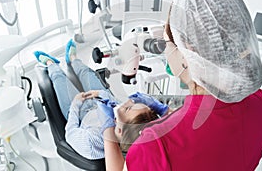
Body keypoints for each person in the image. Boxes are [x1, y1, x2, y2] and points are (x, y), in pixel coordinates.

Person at [101, 0, 262, 171]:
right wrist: (171, 116)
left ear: (187, 52)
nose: (165, 52)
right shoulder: (260, 101)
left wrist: (108, 134)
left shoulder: (153, 148)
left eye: (166, 44)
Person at [33, 39, 168, 160]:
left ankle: (51, 64)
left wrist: (76, 104)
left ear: (119, 130)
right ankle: (73, 59)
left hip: (81, 112)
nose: (129, 101)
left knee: (58, 78)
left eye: (128, 108)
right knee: (87, 73)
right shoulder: (125, 123)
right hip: (98, 100)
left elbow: (71, 132)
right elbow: (115, 105)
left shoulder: (91, 143)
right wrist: (101, 94)